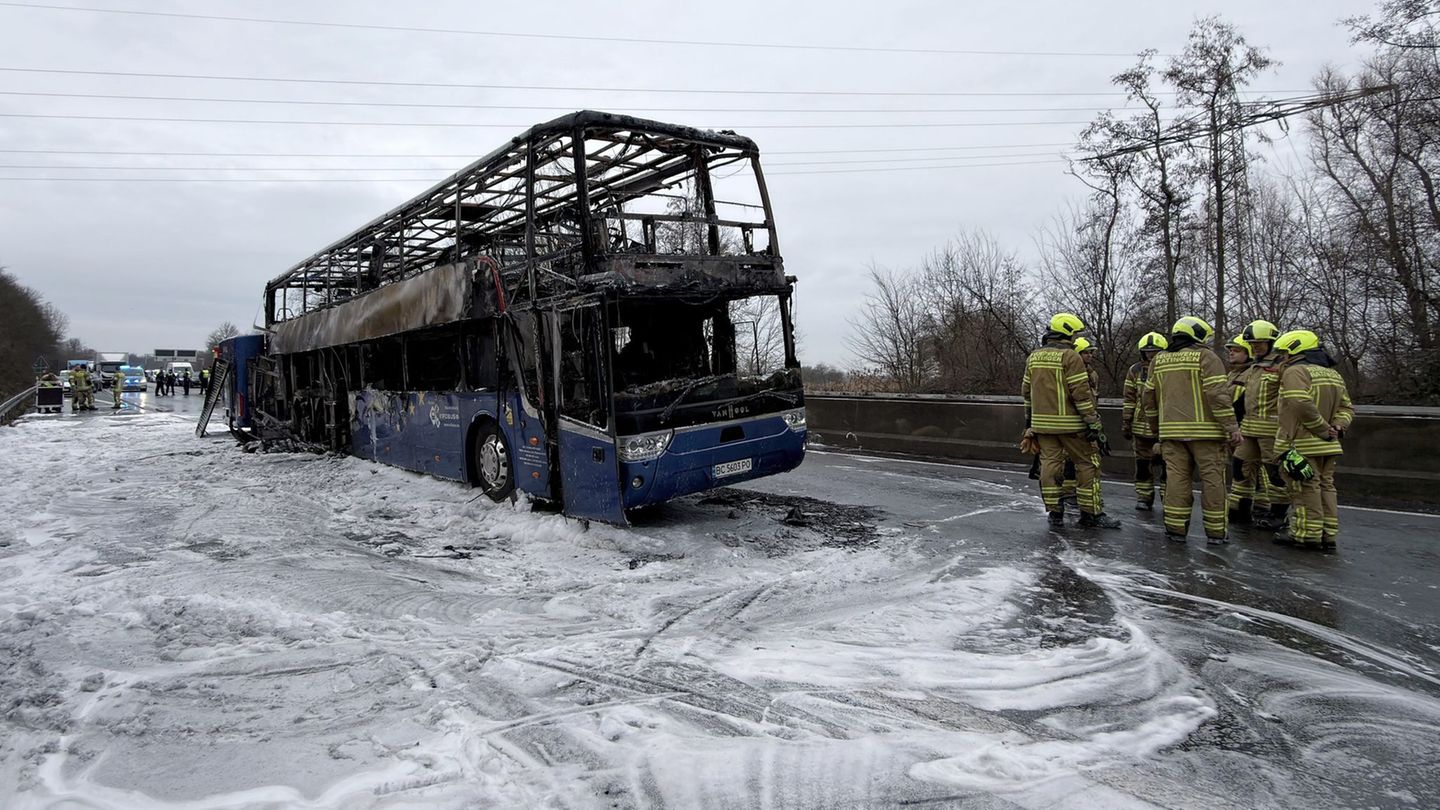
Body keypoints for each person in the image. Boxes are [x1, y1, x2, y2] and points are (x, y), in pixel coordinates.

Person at [1143, 316, 1243, 544]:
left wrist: (1156, 428)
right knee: (1213, 481)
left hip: (1170, 433)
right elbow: (1218, 394)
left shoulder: (1159, 360)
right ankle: (1216, 532)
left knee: (1176, 480)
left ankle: (1176, 529)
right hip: (1207, 434)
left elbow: (1148, 397)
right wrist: (1231, 427)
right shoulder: (1207, 356)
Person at [1021, 313, 1120, 529]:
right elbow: (1080, 393)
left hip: (1043, 426)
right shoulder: (1070, 356)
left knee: (1049, 466)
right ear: (1067, 332)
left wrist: (1029, 424)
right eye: (1074, 333)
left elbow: (1026, 393)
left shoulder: (1034, 357)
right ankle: (1090, 514)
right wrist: (1092, 421)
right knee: (1087, 464)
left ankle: (1055, 512)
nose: (1076, 338)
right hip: (1072, 426)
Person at [1272, 329, 1354, 551]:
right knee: (1326, 487)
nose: (1283, 358)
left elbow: (1299, 403)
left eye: (1285, 354)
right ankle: (1328, 533)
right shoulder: (1333, 374)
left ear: (1296, 351)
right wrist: (1338, 426)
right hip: (1328, 445)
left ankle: (1307, 533)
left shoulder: (1295, 372)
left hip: (1302, 443)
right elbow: (1346, 407)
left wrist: (1322, 428)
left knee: (1304, 488)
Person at [1235, 320, 1288, 531]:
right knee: (1241, 466)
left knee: (1275, 473)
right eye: (1252, 343)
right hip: (1248, 428)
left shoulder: (1282, 365)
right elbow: (1247, 397)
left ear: (1271, 342)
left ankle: (1278, 515)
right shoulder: (1255, 367)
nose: (1255, 347)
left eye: (1259, 343)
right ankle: (1241, 509)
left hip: (1271, 430)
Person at [1122, 332, 1168, 510]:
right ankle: (1144, 496)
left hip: (1164, 426)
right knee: (1142, 465)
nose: (1151, 355)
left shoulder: (1168, 368)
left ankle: (1169, 498)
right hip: (1140, 427)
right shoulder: (1135, 370)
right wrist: (1126, 422)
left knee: (1168, 465)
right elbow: (1129, 398)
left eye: (1155, 351)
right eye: (1148, 352)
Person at [1060, 337, 1102, 511]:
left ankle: (1085, 498)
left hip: (1088, 420)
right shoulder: (1070, 370)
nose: (1090, 355)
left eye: (1091, 352)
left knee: (1088, 461)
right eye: (1086, 352)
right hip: (1074, 422)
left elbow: (1092, 399)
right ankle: (1075, 497)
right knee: (1076, 461)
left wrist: (1094, 420)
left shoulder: (1093, 374)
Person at [1223, 335, 1255, 522]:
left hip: (1247, 428)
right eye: (1230, 350)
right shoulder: (1232, 374)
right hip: (1233, 428)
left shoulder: (1252, 373)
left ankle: (1260, 506)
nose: (1231, 353)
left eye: (1236, 350)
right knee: (1240, 468)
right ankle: (1239, 506)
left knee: (1252, 468)